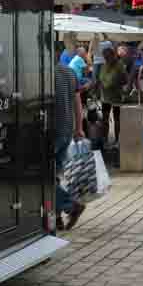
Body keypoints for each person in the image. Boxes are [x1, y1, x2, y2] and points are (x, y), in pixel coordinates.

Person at [54, 53, 86, 230]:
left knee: (43, 177)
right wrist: (79, 127)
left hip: (50, 131)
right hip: (66, 129)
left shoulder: (43, 73)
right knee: (55, 175)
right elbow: (77, 102)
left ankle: (71, 205)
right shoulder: (69, 72)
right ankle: (56, 219)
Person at [98, 47, 129, 147]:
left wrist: (117, 82)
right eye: (105, 57)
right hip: (105, 97)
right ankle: (105, 140)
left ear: (113, 55)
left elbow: (125, 80)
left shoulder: (119, 65)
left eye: (108, 57)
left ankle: (117, 140)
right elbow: (100, 79)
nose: (106, 59)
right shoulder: (104, 65)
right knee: (105, 119)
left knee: (117, 119)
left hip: (116, 96)